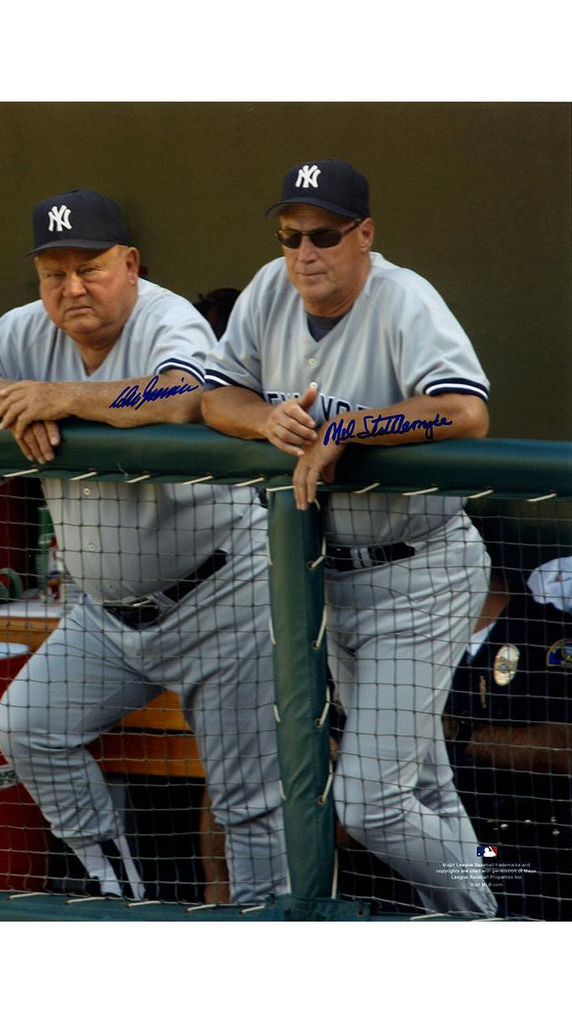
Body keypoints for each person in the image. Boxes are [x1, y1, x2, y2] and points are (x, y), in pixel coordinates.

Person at [0, 188, 286, 902]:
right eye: (54, 273)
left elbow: (180, 395)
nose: (71, 288)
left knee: (250, 806)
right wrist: (13, 400)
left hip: (220, 595)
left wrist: (60, 400)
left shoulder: (166, 316)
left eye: (89, 268)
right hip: (107, 620)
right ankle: (124, 902)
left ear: (130, 263)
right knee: (28, 729)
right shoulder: (34, 328)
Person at [202, 159, 496, 916]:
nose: (305, 253)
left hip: (417, 571)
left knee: (369, 801)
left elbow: (466, 411)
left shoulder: (404, 300)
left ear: (364, 234)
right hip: (326, 576)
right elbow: (214, 392)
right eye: (290, 235)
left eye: (325, 235)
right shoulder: (272, 289)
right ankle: (471, 932)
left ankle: (487, 926)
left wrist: (351, 430)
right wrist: (261, 419)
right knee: (421, 784)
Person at [444, 559, 572, 919]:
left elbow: (563, 751)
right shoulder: (415, 642)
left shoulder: (547, 634)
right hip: (452, 848)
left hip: (536, 852)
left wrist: (458, 734)